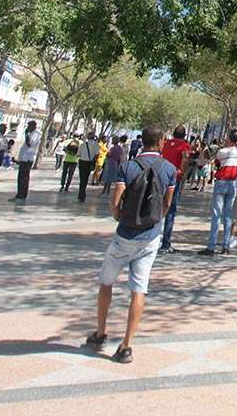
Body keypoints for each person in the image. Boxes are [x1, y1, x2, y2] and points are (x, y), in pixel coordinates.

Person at [87, 124, 176, 364]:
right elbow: (167, 204)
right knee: (139, 288)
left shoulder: (128, 167)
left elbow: (115, 201)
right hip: (150, 237)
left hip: (125, 235)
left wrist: (119, 215)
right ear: (161, 143)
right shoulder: (169, 169)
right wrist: (156, 221)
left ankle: (100, 332)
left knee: (106, 282)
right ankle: (126, 345)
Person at [202, 132, 237, 255]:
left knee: (216, 215)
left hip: (221, 183)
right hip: (233, 184)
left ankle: (211, 246)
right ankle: (226, 245)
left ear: (230, 140)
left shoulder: (222, 152)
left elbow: (216, 163)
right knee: (228, 215)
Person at [160, 126, 192, 253]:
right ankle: (165, 244)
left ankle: (152, 239)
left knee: (159, 207)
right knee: (171, 210)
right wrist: (181, 172)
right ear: (184, 136)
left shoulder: (167, 144)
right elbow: (185, 158)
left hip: (163, 176)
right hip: (174, 179)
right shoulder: (184, 145)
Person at [13, 121, 38, 201]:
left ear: (33, 126)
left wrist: (26, 134)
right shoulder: (31, 133)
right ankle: (20, 193)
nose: (27, 127)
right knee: (21, 176)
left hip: (28, 159)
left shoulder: (35, 134)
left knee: (24, 177)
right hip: (24, 158)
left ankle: (22, 194)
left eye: (29, 126)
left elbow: (29, 144)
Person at [76, 132, 100, 202]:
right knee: (85, 179)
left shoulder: (83, 144)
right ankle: (82, 194)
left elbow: (78, 154)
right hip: (89, 163)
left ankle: (81, 195)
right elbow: (97, 154)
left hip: (82, 162)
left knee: (82, 179)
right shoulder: (96, 145)